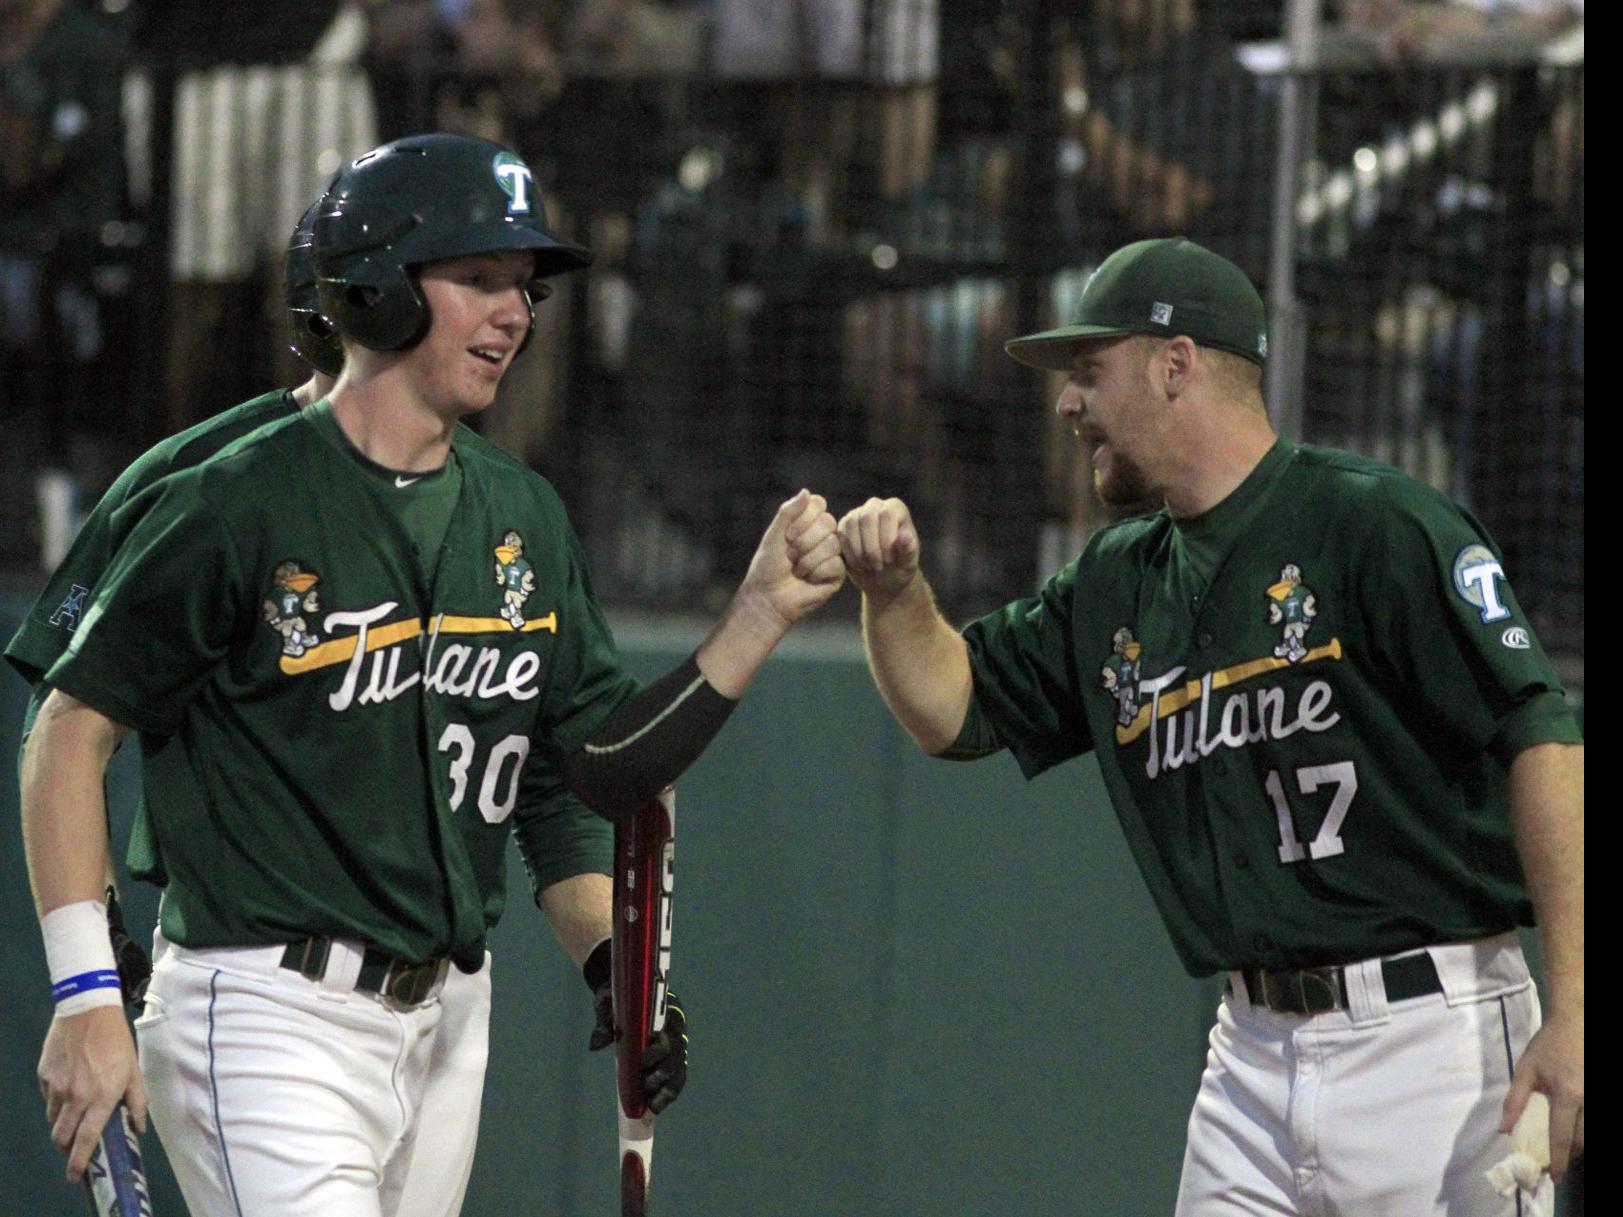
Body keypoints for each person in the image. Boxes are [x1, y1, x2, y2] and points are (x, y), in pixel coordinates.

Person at [21, 132, 844, 1216]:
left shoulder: (525, 514)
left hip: (450, 1016)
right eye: (481, 278)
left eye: (525, 287)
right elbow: (67, 728)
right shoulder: (234, 495)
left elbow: (581, 776)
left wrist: (615, 964)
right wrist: (86, 986)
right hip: (268, 1000)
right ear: (375, 287)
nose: (517, 311)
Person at [835, 237, 1583, 1215]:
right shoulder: (1115, 581)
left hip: (1430, 1044)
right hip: (1249, 1057)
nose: (1068, 404)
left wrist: (1572, 1007)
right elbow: (953, 707)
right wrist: (894, 593)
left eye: (1089, 373)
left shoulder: (1376, 525)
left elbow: (1542, 733)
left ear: (1174, 363)